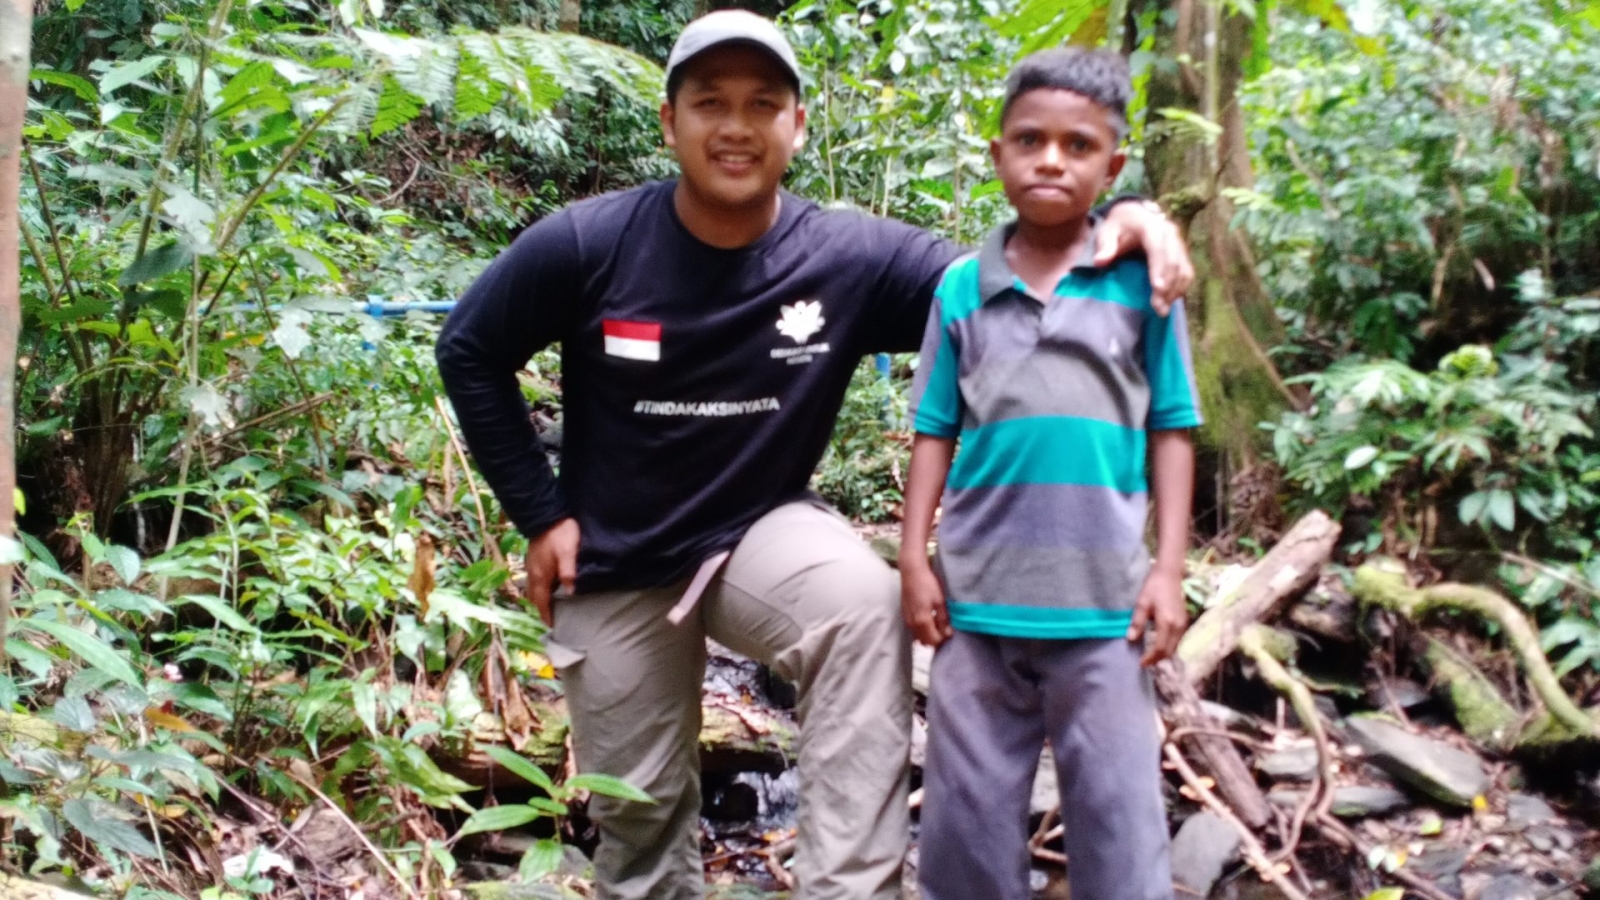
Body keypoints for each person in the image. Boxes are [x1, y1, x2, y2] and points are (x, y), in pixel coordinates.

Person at [435, 11, 1193, 900]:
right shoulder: (588, 243)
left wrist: (1127, 220)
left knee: (864, 605)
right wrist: (541, 512)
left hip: (760, 533)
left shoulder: (845, 254)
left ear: (797, 125)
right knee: (639, 821)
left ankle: (848, 888)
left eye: (763, 104)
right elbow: (469, 348)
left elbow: (1016, 275)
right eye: (710, 102)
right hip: (614, 554)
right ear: (670, 121)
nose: (736, 126)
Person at [899, 47, 1199, 900]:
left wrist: (1169, 571)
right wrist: (914, 558)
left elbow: (1174, 429)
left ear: (1114, 164)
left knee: (1118, 823)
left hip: (1105, 612)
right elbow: (935, 429)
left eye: (1078, 145)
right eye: (1030, 140)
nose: (1052, 160)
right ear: (998, 154)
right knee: (967, 826)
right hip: (974, 609)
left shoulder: (1145, 287)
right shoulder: (963, 289)